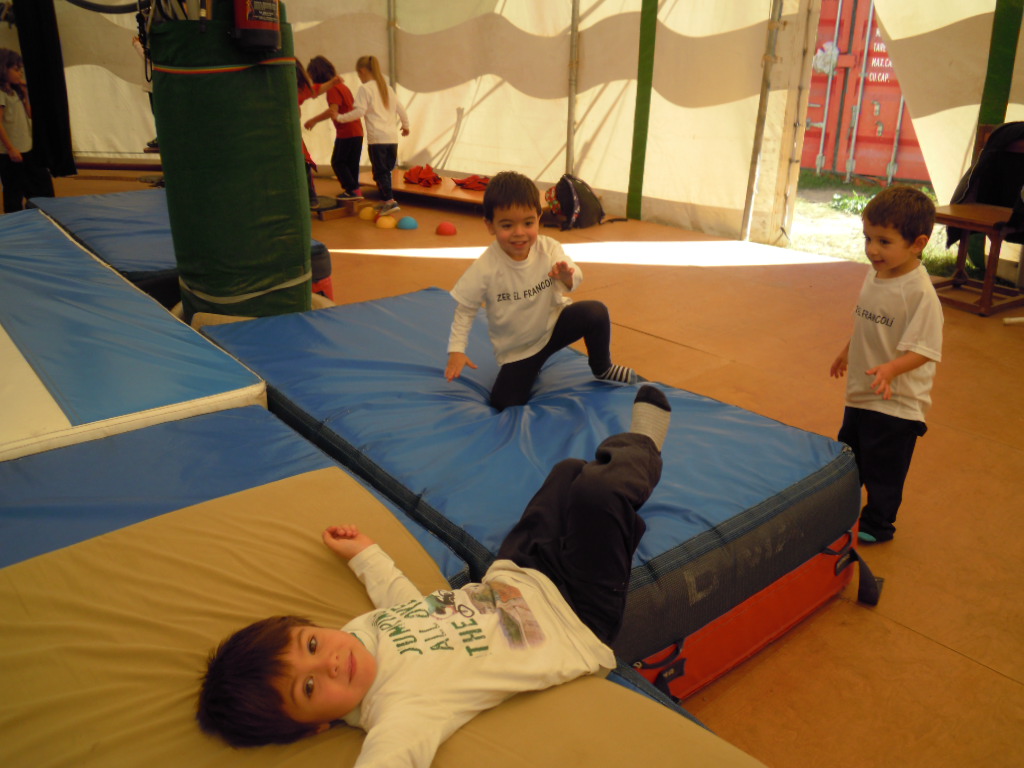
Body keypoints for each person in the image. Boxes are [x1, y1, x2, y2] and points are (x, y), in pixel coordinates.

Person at [197, 385, 671, 761]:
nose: (331, 663)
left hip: (519, 574)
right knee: (597, 496)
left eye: (312, 645)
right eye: (309, 687)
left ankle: (616, 517)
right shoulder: (399, 711)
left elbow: (401, 603)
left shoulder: (360, 634)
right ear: (316, 727)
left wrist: (363, 554)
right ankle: (645, 445)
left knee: (568, 471)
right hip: (575, 617)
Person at [445, 170, 636, 411]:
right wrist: (456, 350)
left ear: (539, 218)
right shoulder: (486, 268)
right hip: (521, 351)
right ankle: (534, 366)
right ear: (490, 225)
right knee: (503, 403)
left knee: (595, 312)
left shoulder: (548, 248)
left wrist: (568, 276)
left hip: (554, 327)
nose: (519, 233)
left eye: (528, 223)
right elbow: (465, 309)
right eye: (507, 225)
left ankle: (602, 367)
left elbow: (575, 276)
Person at [829, 185, 942, 543]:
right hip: (863, 392)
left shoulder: (919, 292)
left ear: (918, 244)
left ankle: (878, 524)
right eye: (868, 238)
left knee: (885, 469)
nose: (872, 250)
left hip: (897, 403)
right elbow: (867, 321)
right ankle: (841, 511)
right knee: (851, 457)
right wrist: (848, 350)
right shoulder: (877, 274)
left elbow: (926, 349)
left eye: (884, 241)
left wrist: (892, 369)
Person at [333, 54, 408, 216]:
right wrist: (405, 126)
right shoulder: (387, 88)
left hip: (377, 139)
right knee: (385, 171)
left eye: (358, 74)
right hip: (392, 139)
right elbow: (400, 108)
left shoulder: (365, 89)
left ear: (362, 71)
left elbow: (359, 111)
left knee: (380, 172)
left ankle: (390, 201)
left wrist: (340, 117)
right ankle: (384, 200)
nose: (359, 78)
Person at [0, 48, 54, 213]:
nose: (20, 74)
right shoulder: (1, 94)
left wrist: (26, 93)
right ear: (3, 69)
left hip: (26, 148)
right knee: (13, 190)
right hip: (11, 153)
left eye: (20, 70)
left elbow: (30, 114)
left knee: (41, 185)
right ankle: (15, 221)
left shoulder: (15, 91)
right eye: (16, 70)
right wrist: (10, 148)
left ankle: (40, 214)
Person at [304, 55, 364, 202]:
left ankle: (352, 189)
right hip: (357, 130)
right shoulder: (342, 86)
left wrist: (313, 120)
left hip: (347, 132)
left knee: (338, 162)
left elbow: (333, 111)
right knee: (351, 163)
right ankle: (355, 191)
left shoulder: (333, 89)